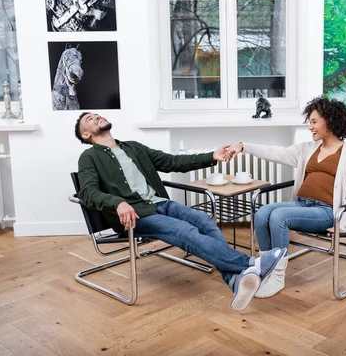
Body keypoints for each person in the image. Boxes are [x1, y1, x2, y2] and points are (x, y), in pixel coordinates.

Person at [74, 112, 286, 311]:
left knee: (204, 220)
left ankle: (233, 279)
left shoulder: (133, 148)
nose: (97, 117)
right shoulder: (89, 157)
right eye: (91, 119)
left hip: (161, 204)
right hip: (136, 215)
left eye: (97, 115)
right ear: (86, 134)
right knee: (185, 231)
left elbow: (172, 161)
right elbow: (88, 192)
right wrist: (117, 203)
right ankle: (251, 263)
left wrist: (212, 156)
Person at [224, 96, 346, 298]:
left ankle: (277, 277)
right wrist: (244, 146)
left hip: (325, 211)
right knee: (263, 212)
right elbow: (276, 152)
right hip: (300, 204)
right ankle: (265, 269)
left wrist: (342, 224)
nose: (310, 127)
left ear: (330, 122)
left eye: (314, 122)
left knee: (280, 217)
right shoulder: (308, 149)